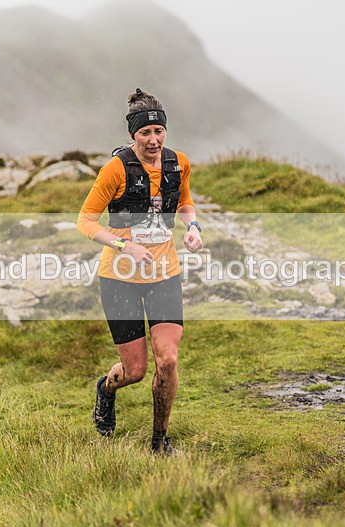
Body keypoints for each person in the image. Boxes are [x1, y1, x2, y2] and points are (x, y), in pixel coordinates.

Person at [76, 88, 203, 456]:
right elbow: (85, 221)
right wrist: (123, 245)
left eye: (159, 131)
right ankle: (106, 389)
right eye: (145, 133)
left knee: (168, 360)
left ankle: (159, 441)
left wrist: (193, 227)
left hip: (164, 274)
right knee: (135, 371)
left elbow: (184, 201)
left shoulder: (179, 163)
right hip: (119, 280)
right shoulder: (115, 169)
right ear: (133, 135)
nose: (153, 139)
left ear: (165, 131)